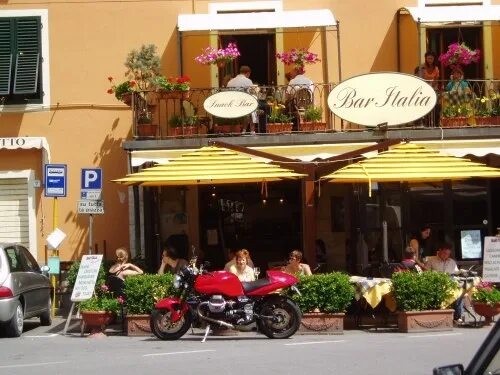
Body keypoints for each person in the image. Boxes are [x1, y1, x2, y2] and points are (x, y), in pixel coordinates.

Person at [425, 242, 463, 323]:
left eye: (448, 254)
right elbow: (426, 273)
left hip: (450, 285)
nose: (446, 255)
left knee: (460, 293)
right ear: (439, 251)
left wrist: (460, 272)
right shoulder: (431, 260)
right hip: (437, 285)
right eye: (445, 253)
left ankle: (458, 316)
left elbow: (456, 273)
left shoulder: (452, 262)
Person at [227, 66, 257, 134]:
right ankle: (252, 130)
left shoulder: (230, 81)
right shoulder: (247, 81)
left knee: (249, 108)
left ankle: (244, 130)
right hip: (242, 105)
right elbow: (253, 92)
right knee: (254, 106)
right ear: (248, 73)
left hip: (230, 105)